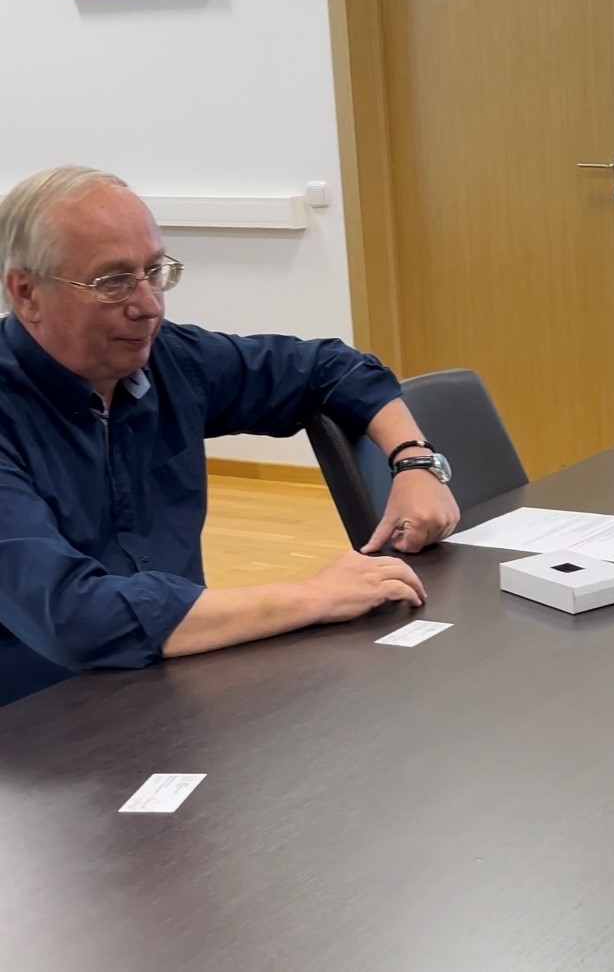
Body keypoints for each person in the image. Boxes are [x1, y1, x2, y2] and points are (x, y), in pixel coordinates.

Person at [0, 166, 462, 707]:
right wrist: (312, 595)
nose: (150, 306)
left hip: (183, 680)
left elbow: (330, 369)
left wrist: (414, 462)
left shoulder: (171, 362)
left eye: (155, 272)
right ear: (26, 293)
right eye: (113, 282)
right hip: (42, 719)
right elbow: (74, 618)